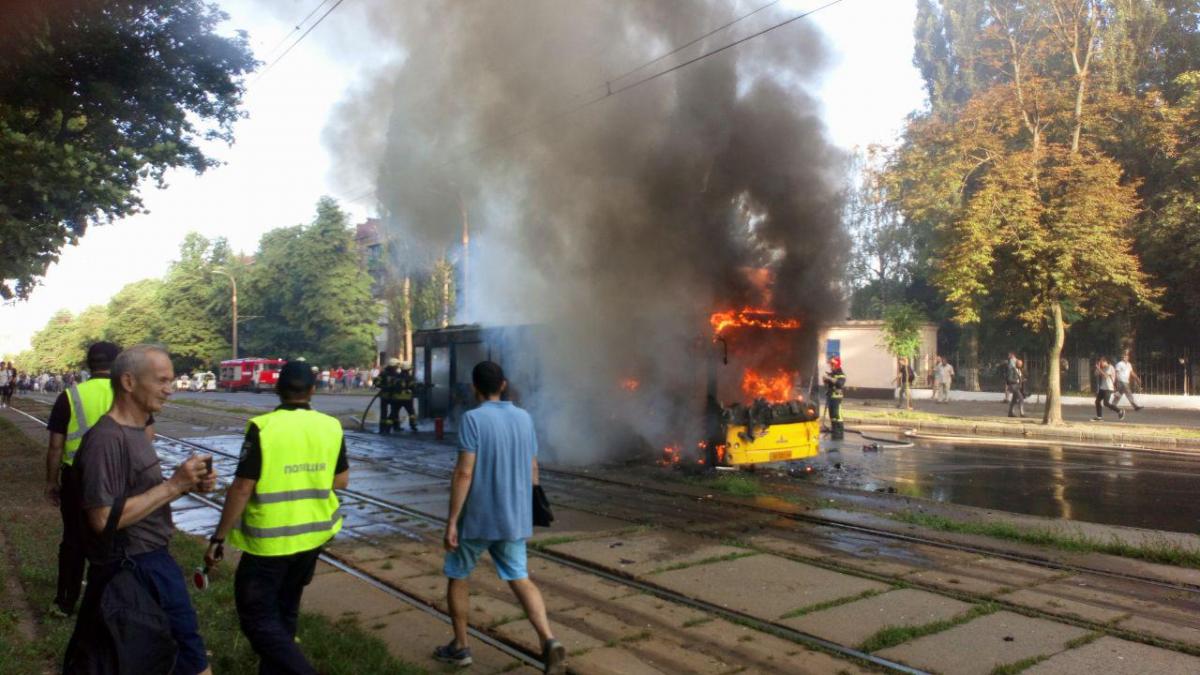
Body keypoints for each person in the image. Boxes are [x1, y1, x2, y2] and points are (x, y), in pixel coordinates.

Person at [64, 345, 216, 675]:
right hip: (134, 569)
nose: (170, 390)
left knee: (163, 658)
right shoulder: (106, 439)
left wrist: (188, 482)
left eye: (171, 381)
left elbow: (137, 497)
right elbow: (102, 518)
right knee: (188, 659)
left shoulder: (137, 432)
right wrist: (174, 485)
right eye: (162, 381)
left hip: (150, 562)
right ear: (129, 382)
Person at [204, 361, 349, 675]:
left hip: (268, 543)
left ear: (276, 389)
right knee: (285, 611)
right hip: (312, 537)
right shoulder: (330, 426)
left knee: (256, 618)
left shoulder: (263, 428)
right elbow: (341, 481)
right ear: (313, 390)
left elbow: (243, 486)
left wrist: (218, 538)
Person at [438, 361, 565, 673]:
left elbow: (464, 472)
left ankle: (461, 646)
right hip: (512, 518)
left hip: (478, 519)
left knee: (458, 575)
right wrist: (531, 505)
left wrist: (453, 520)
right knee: (520, 577)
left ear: (474, 387)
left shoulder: (472, 419)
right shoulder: (523, 417)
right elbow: (533, 467)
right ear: (503, 385)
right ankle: (548, 639)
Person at [44, 342, 121, 616]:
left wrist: (52, 482)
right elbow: (146, 439)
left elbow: (55, 446)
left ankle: (65, 602)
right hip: (116, 478)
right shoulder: (128, 394)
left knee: (74, 540)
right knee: (112, 541)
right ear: (117, 363)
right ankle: (108, 603)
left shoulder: (69, 396)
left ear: (89, 365)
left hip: (77, 478)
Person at [377, 358, 404, 434]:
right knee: (386, 413)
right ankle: (383, 429)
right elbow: (376, 382)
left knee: (394, 412)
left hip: (391, 395)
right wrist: (384, 386)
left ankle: (395, 427)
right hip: (387, 395)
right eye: (396, 366)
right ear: (393, 366)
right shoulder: (384, 373)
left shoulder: (396, 374)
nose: (397, 367)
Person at [1093, 356, 1125, 421]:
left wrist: (1099, 368)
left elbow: (1105, 376)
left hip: (1109, 388)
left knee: (1106, 403)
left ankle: (1120, 411)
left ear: (1105, 361)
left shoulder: (1110, 367)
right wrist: (1098, 368)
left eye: (1101, 362)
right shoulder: (1103, 368)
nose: (1100, 363)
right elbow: (1095, 374)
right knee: (1097, 401)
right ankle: (1099, 417)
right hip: (1102, 388)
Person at [822, 356, 846, 440]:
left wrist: (830, 379)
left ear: (836, 365)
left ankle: (839, 430)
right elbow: (827, 385)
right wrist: (825, 380)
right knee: (832, 414)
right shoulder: (832, 374)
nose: (831, 366)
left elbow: (840, 384)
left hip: (836, 398)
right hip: (830, 396)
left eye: (832, 364)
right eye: (830, 364)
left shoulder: (841, 375)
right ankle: (834, 429)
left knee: (837, 414)